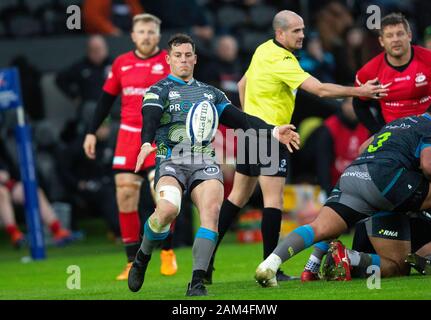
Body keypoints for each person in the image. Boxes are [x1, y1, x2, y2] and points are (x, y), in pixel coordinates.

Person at [206, 9, 388, 284]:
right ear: (280, 33)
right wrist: (359, 92)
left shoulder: (263, 49)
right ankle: (271, 267)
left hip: (251, 133)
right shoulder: (283, 60)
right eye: (296, 31)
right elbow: (320, 90)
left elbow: (243, 84)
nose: (303, 35)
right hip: (272, 135)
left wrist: (247, 119)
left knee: (237, 199)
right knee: (273, 201)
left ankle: (205, 263)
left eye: (303, 29)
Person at [126, 33, 300, 297]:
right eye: (178, 56)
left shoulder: (211, 93)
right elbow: (150, 117)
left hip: (204, 161)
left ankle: (196, 281)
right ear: (168, 59)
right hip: (171, 159)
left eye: (188, 55)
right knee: (167, 211)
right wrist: (146, 142)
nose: (183, 60)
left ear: (195, 59)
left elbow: (242, 120)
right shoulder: (158, 90)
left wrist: (274, 131)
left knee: (212, 211)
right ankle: (143, 255)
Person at [302, 12, 431, 282]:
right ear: (381, 41)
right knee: (427, 193)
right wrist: (377, 131)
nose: (396, 40)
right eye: (390, 35)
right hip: (398, 148)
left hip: (429, 142)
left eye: (400, 34)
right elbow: (359, 102)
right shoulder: (369, 71)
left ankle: (338, 259)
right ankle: (354, 253)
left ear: (409, 36)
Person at [255, 97, 431, 286]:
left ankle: (270, 263)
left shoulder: (396, 124)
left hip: (354, 175)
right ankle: (352, 258)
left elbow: (364, 148)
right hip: (385, 181)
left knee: (320, 227)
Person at [83, 13, 177, 280]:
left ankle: (167, 250)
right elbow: (105, 100)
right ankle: (130, 261)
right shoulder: (121, 63)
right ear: (133, 35)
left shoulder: (169, 62)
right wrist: (91, 132)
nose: (146, 36)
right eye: (141, 32)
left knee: (162, 195)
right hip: (128, 136)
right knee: (124, 195)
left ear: (158, 36)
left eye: (151, 32)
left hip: (160, 137)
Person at [55, 35, 112, 122]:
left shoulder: (115, 65)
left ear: (106, 49)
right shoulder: (81, 67)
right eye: (94, 50)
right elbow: (60, 79)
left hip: (112, 107)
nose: (97, 53)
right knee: (91, 108)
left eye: (100, 49)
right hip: (91, 110)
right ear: (88, 51)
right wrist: (74, 96)